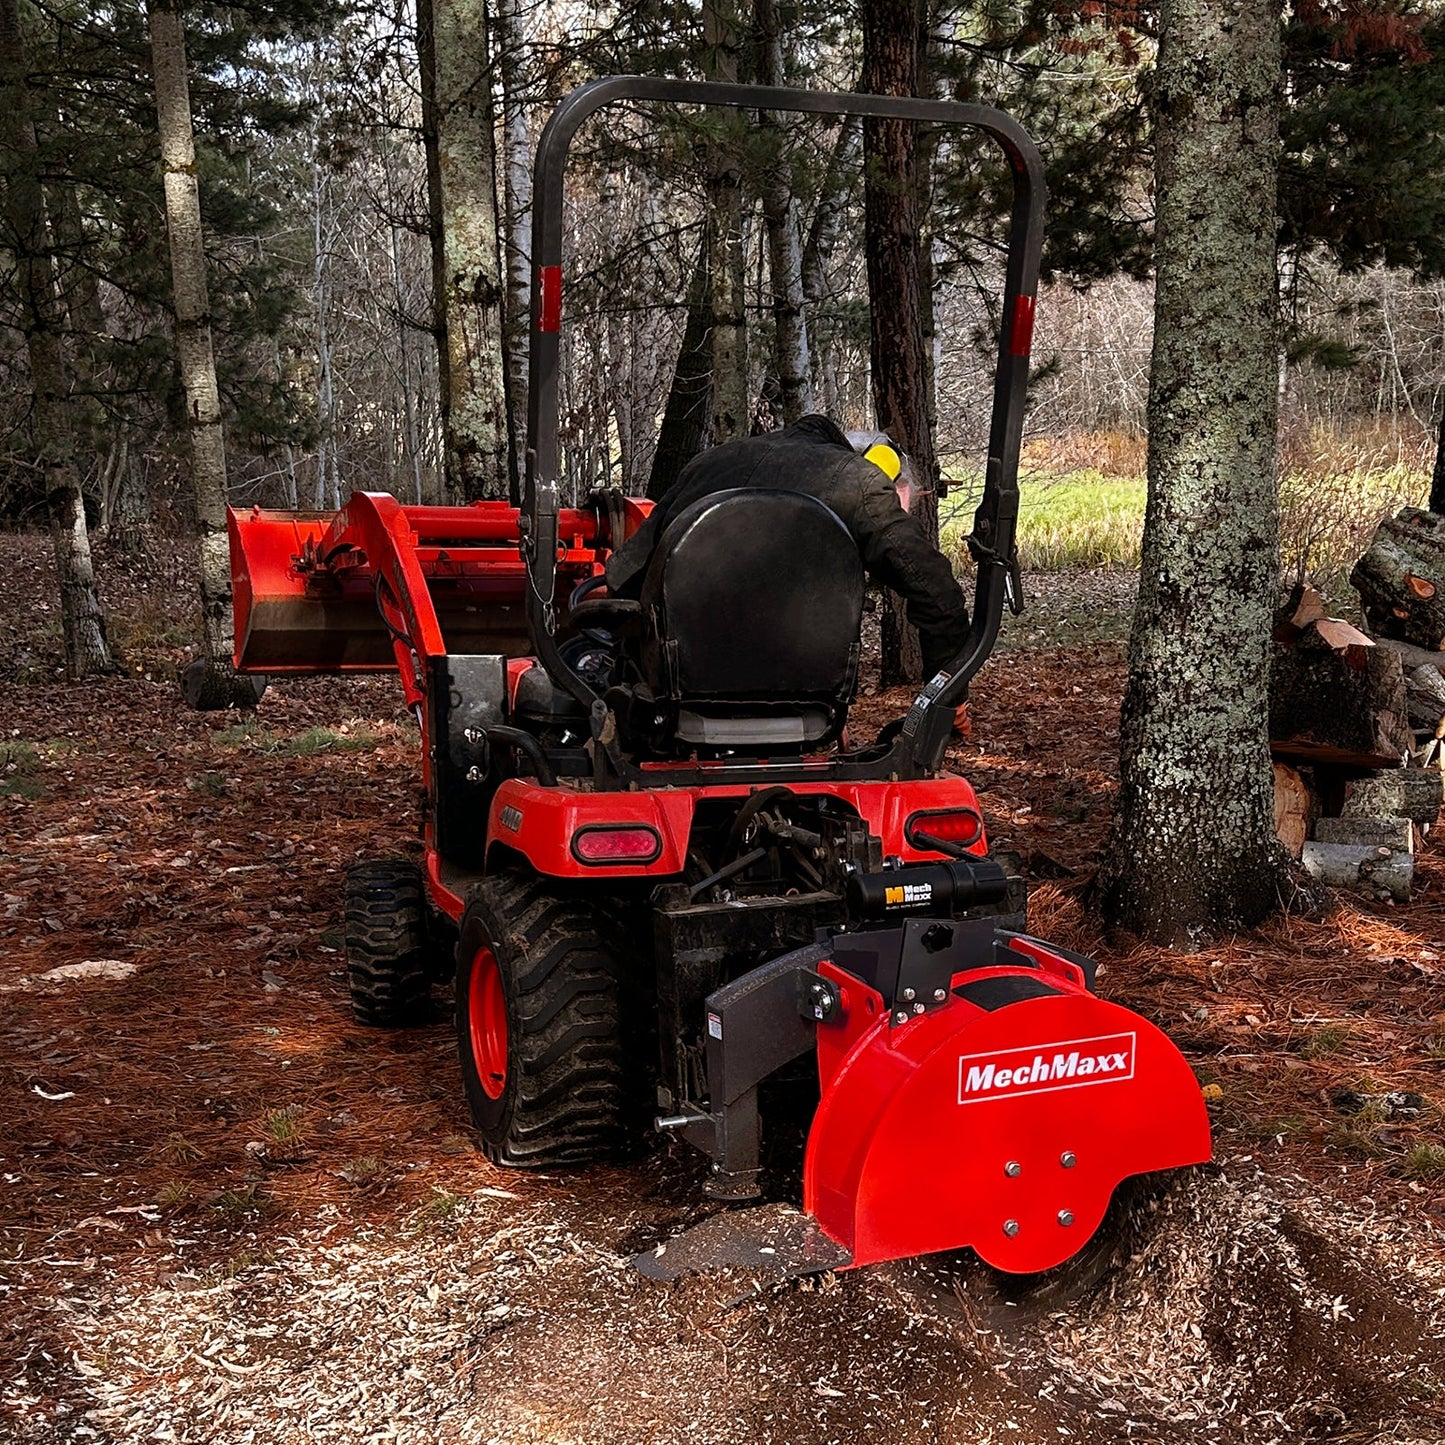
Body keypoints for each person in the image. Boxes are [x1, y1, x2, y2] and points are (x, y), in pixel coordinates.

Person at [606, 413, 972, 682]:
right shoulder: (859, 482)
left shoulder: (708, 463)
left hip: (681, 682)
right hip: (802, 690)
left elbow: (625, 576)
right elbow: (937, 592)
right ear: (883, 473)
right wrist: (947, 696)